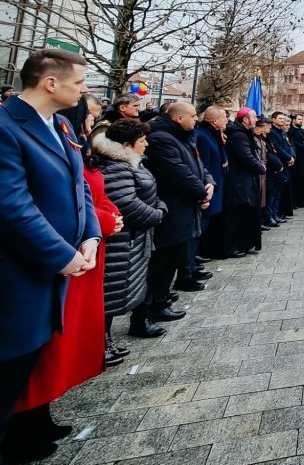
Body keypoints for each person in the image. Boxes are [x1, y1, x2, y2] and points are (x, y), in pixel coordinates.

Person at [0, 49, 99, 465]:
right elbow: (9, 207)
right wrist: (62, 256)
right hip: (10, 287)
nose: (84, 89)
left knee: (13, 389)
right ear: (51, 82)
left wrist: (90, 235)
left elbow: (78, 185)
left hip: (45, 280)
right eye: (80, 81)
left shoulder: (61, 124)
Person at [8, 96, 122, 462]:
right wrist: (100, 225)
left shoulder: (68, 140)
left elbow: (84, 193)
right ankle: (22, 425)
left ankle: (41, 413)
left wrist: (101, 222)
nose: (92, 120)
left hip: (83, 251)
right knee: (42, 345)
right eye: (87, 115)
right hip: (60, 256)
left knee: (57, 344)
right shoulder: (17, 136)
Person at [97, 118, 166, 343]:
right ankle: (103, 341)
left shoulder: (134, 161)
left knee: (135, 280)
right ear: (127, 144)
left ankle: (129, 326)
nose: (146, 144)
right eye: (142, 140)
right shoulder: (117, 165)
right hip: (124, 238)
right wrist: (156, 214)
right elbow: (126, 203)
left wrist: (160, 206)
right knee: (112, 288)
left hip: (137, 237)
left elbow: (149, 191)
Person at [141, 102, 212, 319]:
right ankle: (150, 307)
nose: (196, 119)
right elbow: (177, 173)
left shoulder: (183, 136)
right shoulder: (161, 139)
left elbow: (198, 166)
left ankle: (161, 300)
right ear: (178, 118)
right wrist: (201, 192)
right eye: (192, 116)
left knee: (172, 258)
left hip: (184, 207)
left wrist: (208, 182)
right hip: (171, 208)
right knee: (161, 261)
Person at [223, 108, 266, 253]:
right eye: (254, 117)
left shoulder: (244, 133)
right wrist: (261, 168)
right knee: (239, 214)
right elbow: (246, 157)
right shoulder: (238, 135)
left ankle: (245, 243)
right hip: (239, 180)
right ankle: (234, 246)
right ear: (245, 119)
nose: (256, 120)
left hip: (246, 178)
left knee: (247, 212)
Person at [194, 106, 229, 260]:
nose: (226, 120)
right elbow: (203, 167)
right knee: (202, 225)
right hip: (208, 189)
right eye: (224, 117)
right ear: (215, 121)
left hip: (216, 186)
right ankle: (194, 258)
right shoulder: (203, 136)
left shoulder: (213, 135)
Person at [267, 112, 295, 224]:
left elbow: (288, 146)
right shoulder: (272, 133)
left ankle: (276, 214)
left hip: (285, 164)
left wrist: (292, 157)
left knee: (278, 192)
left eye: (283, 119)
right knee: (273, 193)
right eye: (280, 118)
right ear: (273, 120)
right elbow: (277, 148)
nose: (283, 121)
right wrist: (288, 158)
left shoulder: (282, 131)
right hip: (277, 165)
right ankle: (270, 216)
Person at [288, 115, 304, 209]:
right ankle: (296, 201)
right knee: (297, 180)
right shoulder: (290, 131)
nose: (300, 121)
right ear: (293, 120)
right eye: (299, 119)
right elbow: (294, 143)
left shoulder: (302, 130)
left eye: (301, 120)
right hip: (298, 158)